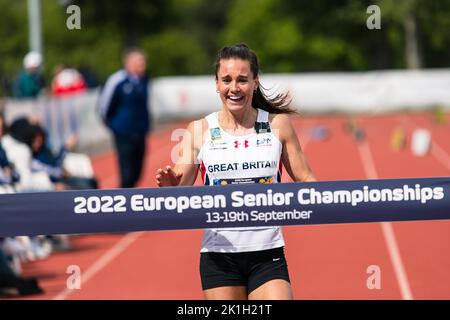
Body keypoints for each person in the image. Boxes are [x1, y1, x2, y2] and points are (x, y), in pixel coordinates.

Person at [156, 43, 315, 300]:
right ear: (216, 84)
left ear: (255, 82)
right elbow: (180, 185)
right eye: (226, 80)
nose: (234, 88)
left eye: (242, 80)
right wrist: (171, 183)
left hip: (267, 254)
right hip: (219, 257)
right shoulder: (199, 130)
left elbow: (307, 179)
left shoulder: (278, 126)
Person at [97, 48, 151, 188]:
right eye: (139, 62)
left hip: (140, 132)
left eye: (143, 62)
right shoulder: (117, 80)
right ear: (128, 63)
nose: (143, 65)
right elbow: (103, 106)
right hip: (123, 134)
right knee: (127, 173)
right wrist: (114, 126)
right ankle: (125, 203)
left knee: (138, 172)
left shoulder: (144, 80)